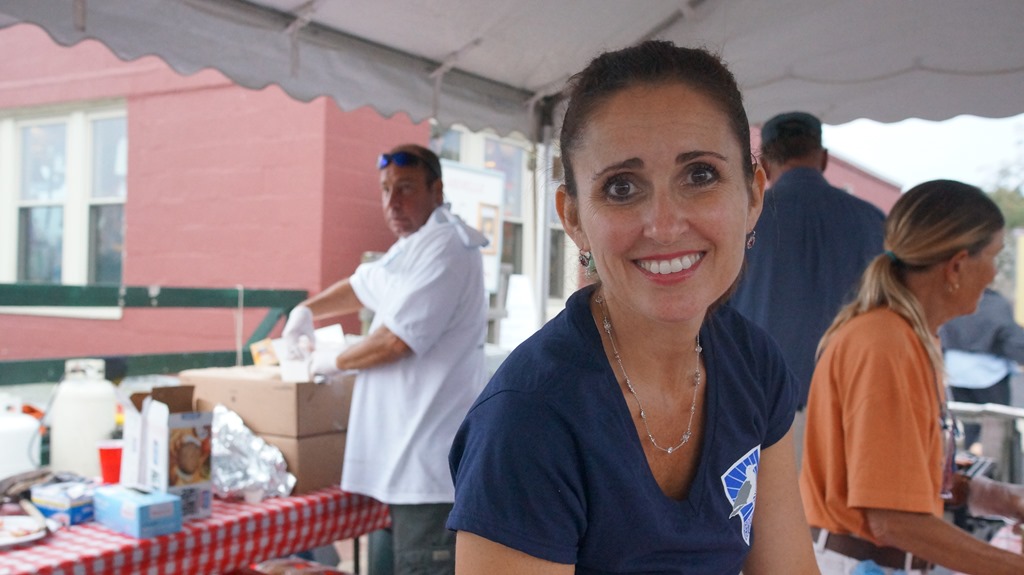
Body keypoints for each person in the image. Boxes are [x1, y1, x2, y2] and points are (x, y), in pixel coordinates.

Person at [447, 41, 818, 574]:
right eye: (621, 187)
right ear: (574, 218)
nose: (664, 226)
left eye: (700, 175)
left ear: (753, 195)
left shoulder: (754, 364)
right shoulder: (527, 421)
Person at [282, 144, 488, 575]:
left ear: (436, 190)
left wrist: (328, 361)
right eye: (385, 189)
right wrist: (305, 311)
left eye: (406, 188)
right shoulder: (411, 247)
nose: (392, 202)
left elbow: (395, 341)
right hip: (396, 472)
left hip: (427, 476)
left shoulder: (448, 246)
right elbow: (362, 285)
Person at [800, 179, 1024, 574]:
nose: (993, 275)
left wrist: (999, 497)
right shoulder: (885, 343)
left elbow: (903, 480)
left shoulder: (908, 336)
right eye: (993, 256)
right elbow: (892, 519)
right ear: (957, 265)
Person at [730, 111, 885, 463]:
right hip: (855, 405)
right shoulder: (874, 221)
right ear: (824, 158)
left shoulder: (740, 222)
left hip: (761, 406)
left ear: (764, 165)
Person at [940, 287, 1024, 453]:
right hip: (989, 374)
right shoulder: (995, 303)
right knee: (998, 423)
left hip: (956, 372)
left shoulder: (952, 300)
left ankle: (972, 453)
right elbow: (1011, 338)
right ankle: (991, 459)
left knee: (969, 424)